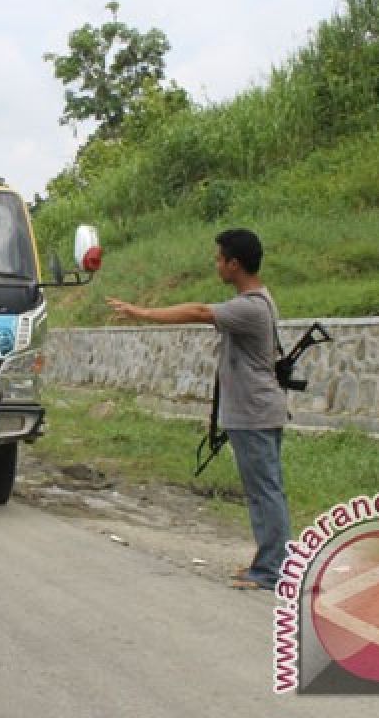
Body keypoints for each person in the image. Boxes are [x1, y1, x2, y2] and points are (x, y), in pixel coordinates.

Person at [106, 228, 289, 591]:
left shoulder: (250, 307)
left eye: (220, 259)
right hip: (257, 411)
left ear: (234, 264)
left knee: (265, 490)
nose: (216, 265)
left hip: (254, 413)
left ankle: (272, 570)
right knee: (264, 489)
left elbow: (199, 311)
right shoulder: (256, 301)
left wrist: (140, 311)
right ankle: (268, 562)